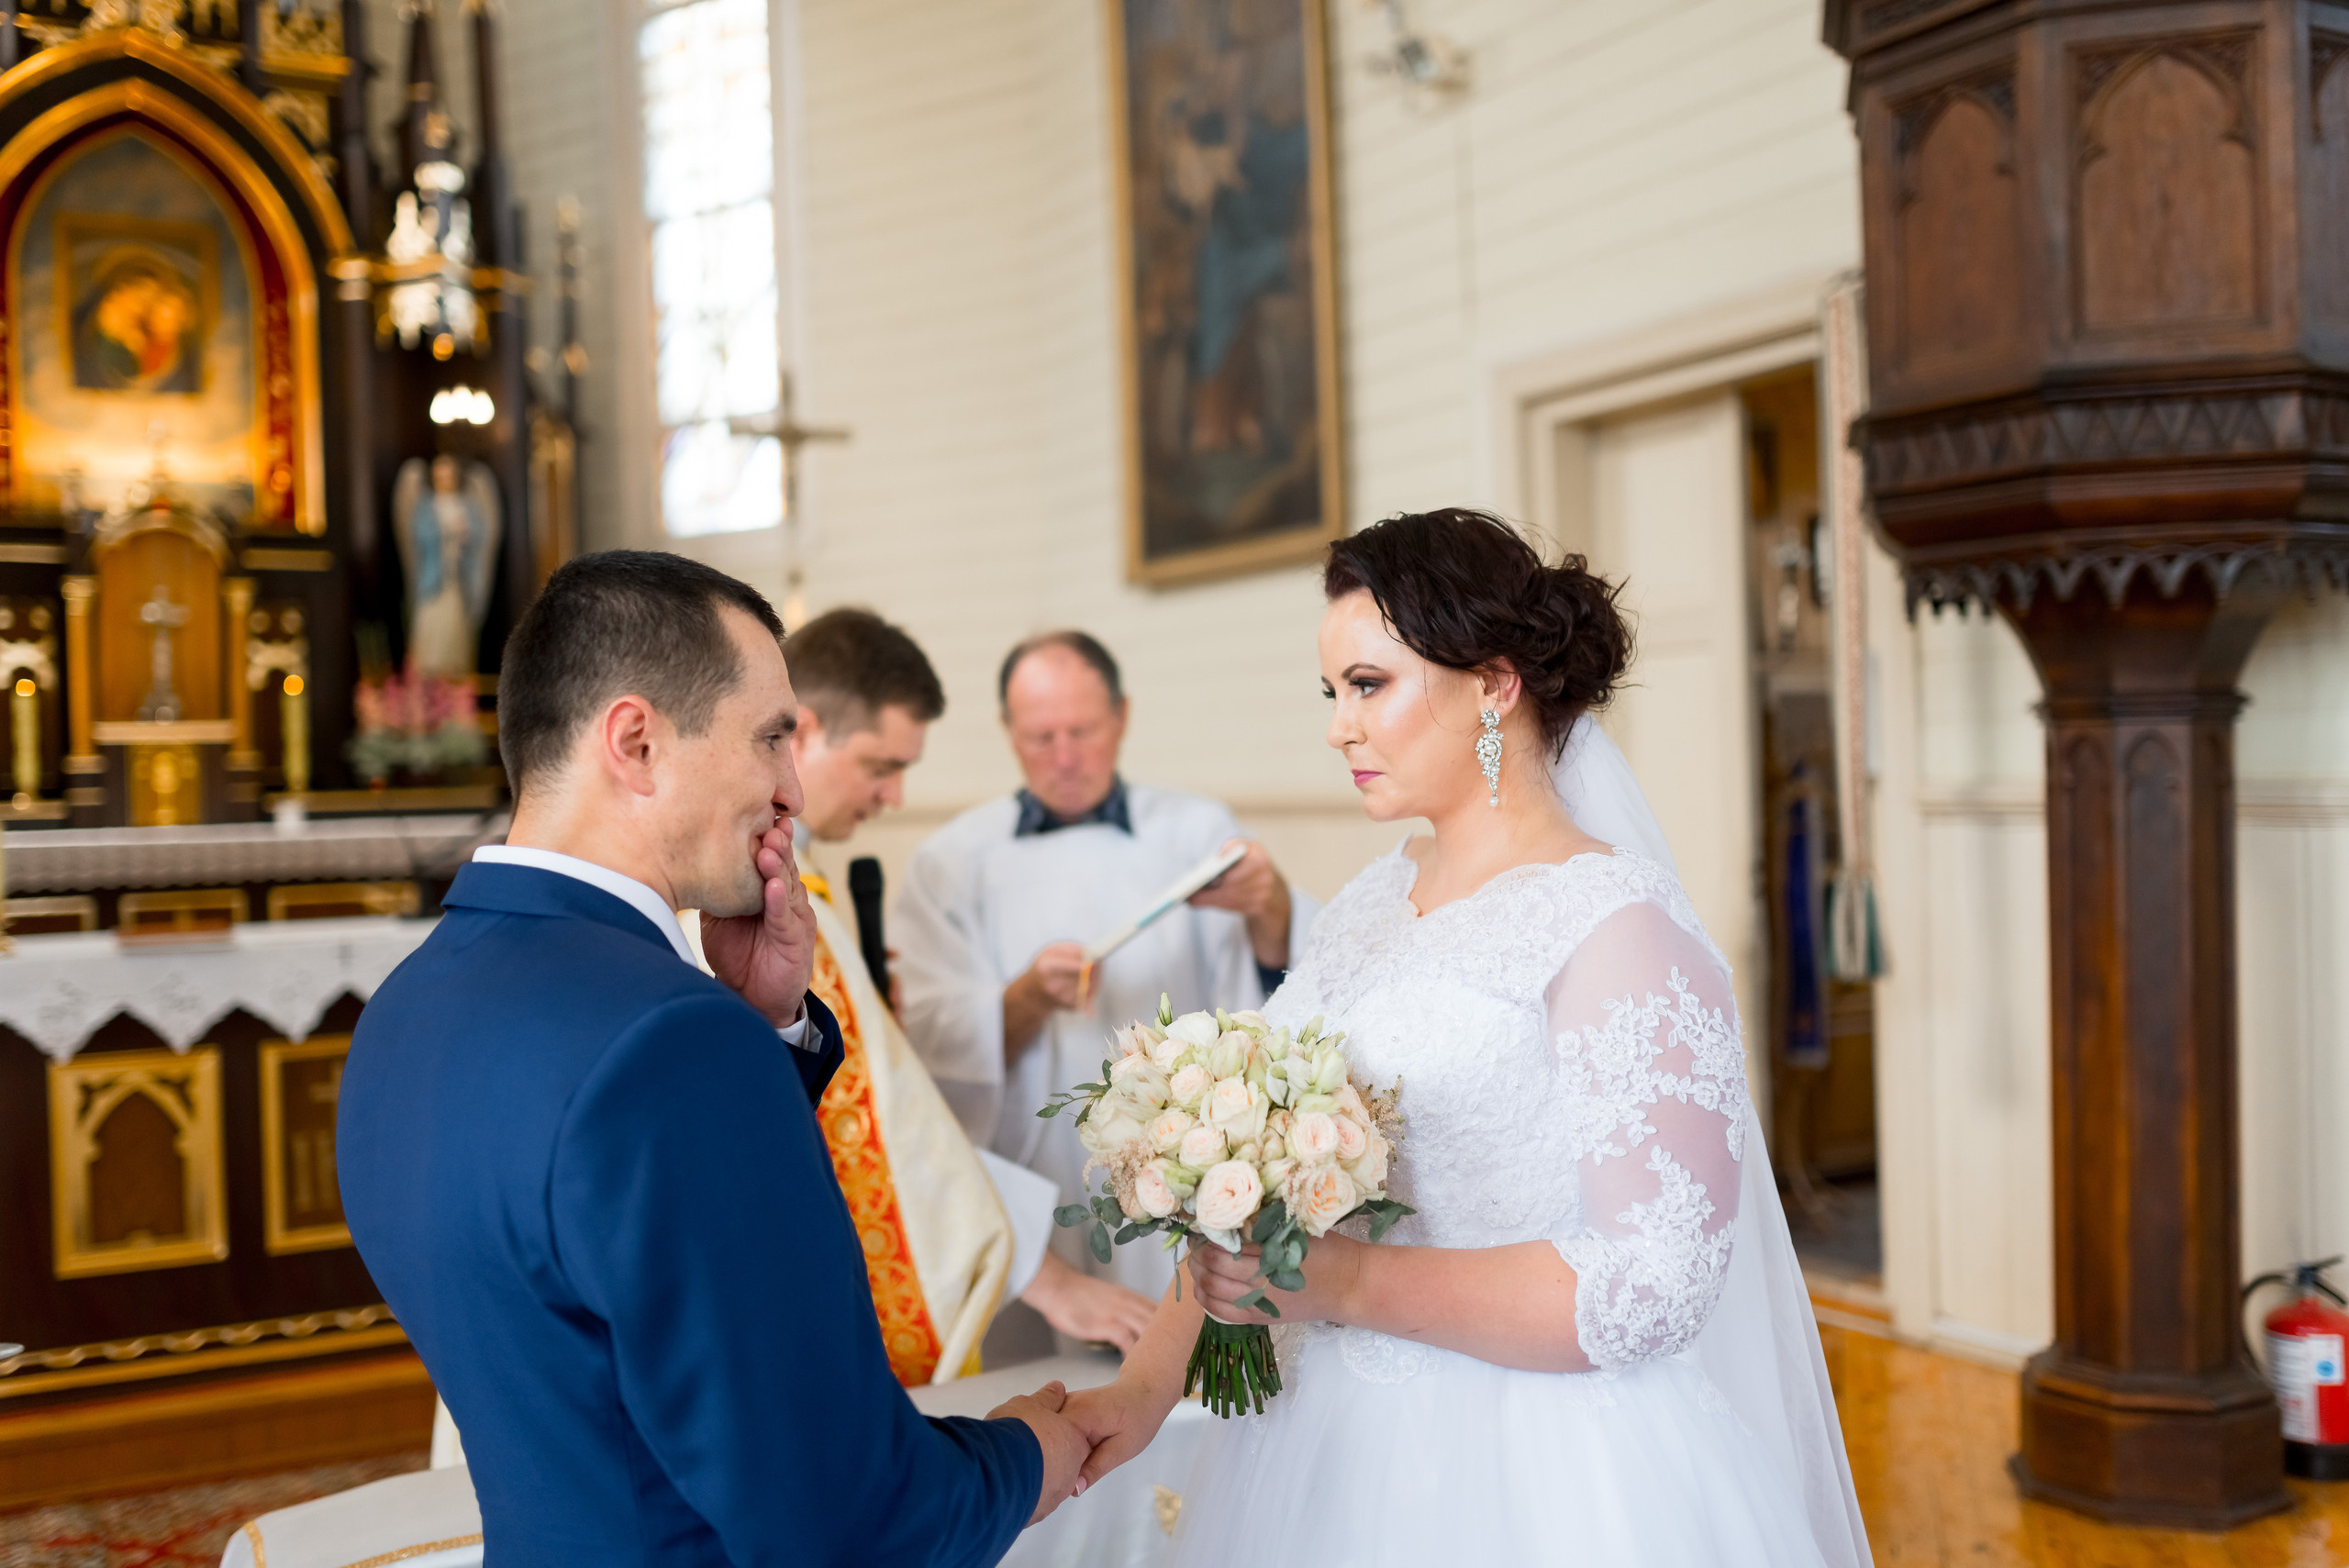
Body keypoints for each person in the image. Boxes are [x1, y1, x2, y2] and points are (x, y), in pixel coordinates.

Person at [1060, 511, 1873, 1566]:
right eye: (1332, 693)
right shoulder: (1368, 901)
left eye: (1368, 685)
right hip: (1321, 1444)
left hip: (1545, 1470)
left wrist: (1347, 1284)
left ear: (1494, 685)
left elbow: (1655, 1279)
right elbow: (1247, 1171)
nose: (1338, 726)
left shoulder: (1617, 928)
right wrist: (1143, 1384)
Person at [339, 552, 1095, 1568]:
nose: (790, 785)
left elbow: (624, 1272)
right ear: (638, 741)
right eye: (771, 735)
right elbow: (843, 1514)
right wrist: (1031, 1455)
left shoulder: (405, 1008)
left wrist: (763, 1034)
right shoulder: (668, 1041)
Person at [895, 629, 1319, 1301]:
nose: (1065, 757)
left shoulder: (1197, 830)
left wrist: (1269, 908)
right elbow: (921, 1040)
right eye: (1040, 737)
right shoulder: (950, 860)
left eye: (1083, 730)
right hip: (1034, 1168)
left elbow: (1271, 998)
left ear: (1121, 716)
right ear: (1007, 731)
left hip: (1183, 1160)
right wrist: (1025, 999)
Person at [782, 606, 1157, 1352]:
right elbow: (886, 1117)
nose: (894, 797)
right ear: (803, 728)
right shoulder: (766, 893)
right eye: (881, 766)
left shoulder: (797, 877)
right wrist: (1047, 1279)